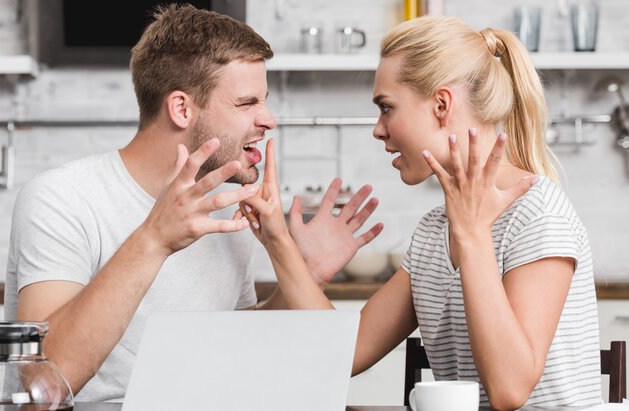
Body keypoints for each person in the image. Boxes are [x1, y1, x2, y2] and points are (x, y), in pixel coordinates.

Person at [3, 4, 382, 403]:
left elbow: (229, 342)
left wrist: (304, 275)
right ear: (181, 109)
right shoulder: (61, 198)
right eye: (247, 103)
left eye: (264, 100)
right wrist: (154, 238)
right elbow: (45, 384)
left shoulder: (223, 210)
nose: (269, 120)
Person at [241, 16, 602, 410]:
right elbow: (348, 351)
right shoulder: (435, 231)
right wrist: (278, 241)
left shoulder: (536, 214)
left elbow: (509, 390)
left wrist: (472, 236)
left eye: (387, 108)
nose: (378, 129)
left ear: (441, 106)